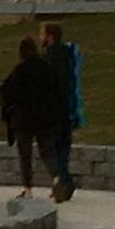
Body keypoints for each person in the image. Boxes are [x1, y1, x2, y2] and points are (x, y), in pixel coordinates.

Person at [0, 37, 62, 200]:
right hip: (45, 118)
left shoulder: (20, 70)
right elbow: (56, 92)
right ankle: (57, 178)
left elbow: (8, 94)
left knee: (25, 155)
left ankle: (27, 189)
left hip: (23, 120)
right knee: (48, 151)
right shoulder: (46, 68)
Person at [38, 22, 85, 203]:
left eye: (42, 33)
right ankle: (62, 183)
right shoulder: (69, 54)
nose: (40, 37)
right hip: (68, 109)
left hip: (51, 111)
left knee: (49, 149)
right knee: (63, 149)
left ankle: (62, 181)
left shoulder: (46, 58)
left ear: (50, 36)